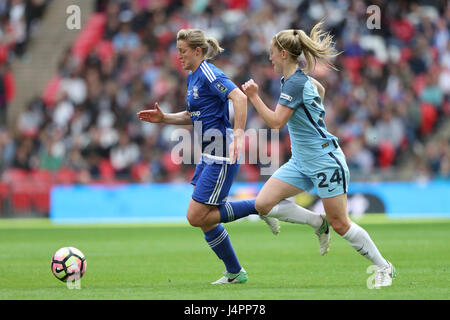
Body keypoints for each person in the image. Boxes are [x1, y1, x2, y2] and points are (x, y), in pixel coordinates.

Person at [239, 21, 396, 288]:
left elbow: (276, 123)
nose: (270, 57)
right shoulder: (295, 80)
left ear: (284, 54)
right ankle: (316, 223)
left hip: (324, 161)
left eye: (272, 52)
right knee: (263, 204)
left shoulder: (294, 84)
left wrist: (253, 96)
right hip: (301, 161)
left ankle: (384, 266)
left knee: (341, 224)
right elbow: (319, 90)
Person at [137, 29, 278, 285]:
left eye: (183, 51)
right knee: (204, 220)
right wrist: (165, 118)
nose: (178, 56)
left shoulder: (210, 73)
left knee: (196, 216)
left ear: (197, 51)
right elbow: (194, 116)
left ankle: (261, 206)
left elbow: (239, 97)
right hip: (207, 154)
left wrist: (237, 136)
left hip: (221, 153)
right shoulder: (193, 78)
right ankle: (235, 272)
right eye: (178, 51)